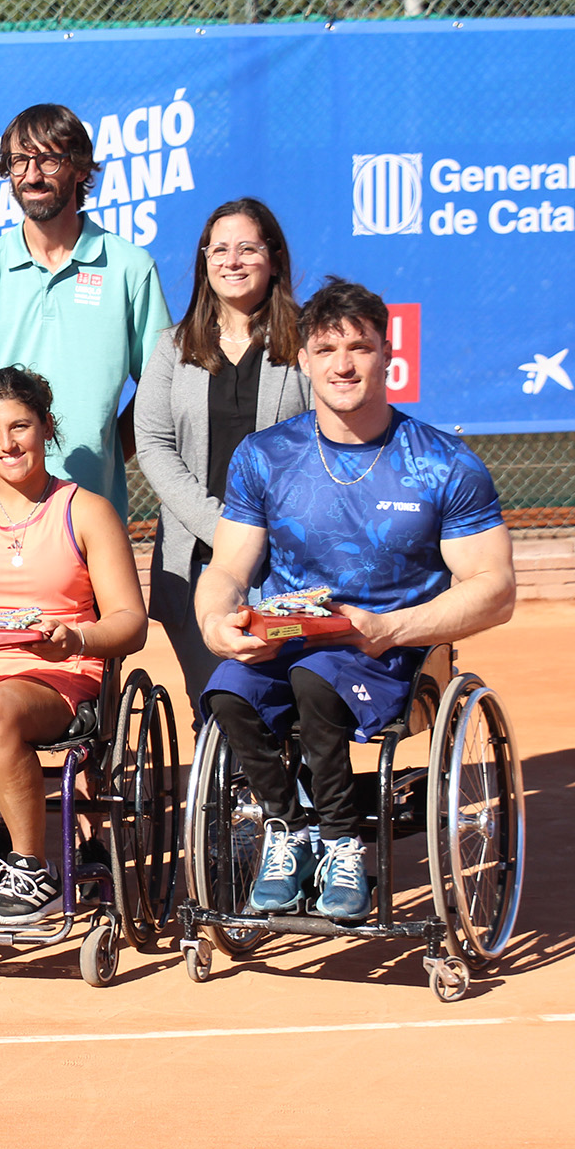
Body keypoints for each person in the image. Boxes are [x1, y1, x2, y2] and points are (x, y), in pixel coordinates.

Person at [195, 278, 515, 922]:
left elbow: (494, 589)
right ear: (303, 360)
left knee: (318, 680)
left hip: (390, 649)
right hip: (290, 638)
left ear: (387, 355)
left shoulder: (445, 464)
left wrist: (393, 627)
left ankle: (344, 842)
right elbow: (229, 565)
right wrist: (213, 618)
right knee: (227, 688)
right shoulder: (264, 457)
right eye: (326, 348)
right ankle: (291, 832)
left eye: (360, 347)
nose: (343, 364)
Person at [0, 366, 147, 925]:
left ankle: (32, 870)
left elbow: (130, 621)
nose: (6, 444)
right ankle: (18, 853)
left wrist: (77, 637)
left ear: (46, 427)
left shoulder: (86, 510)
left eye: (20, 427)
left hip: (61, 674)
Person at [0, 104, 172, 521]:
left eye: (48, 159)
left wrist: (109, 449)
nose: (32, 176)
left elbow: (161, 386)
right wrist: (3, 441)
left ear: (81, 169)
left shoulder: (130, 268)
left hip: (91, 506)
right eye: (19, 162)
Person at [134, 198, 311, 718]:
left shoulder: (304, 341)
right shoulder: (172, 346)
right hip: (193, 557)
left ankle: (289, 799)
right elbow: (153, 444)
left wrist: (266, 535)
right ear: (204, 261)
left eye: (247, 248)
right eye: (219, 249)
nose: (231, 261)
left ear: (274, 259)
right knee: (216, 702)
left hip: (289, 556)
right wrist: (225, 530)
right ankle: (226, 802)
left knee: (287, 702)